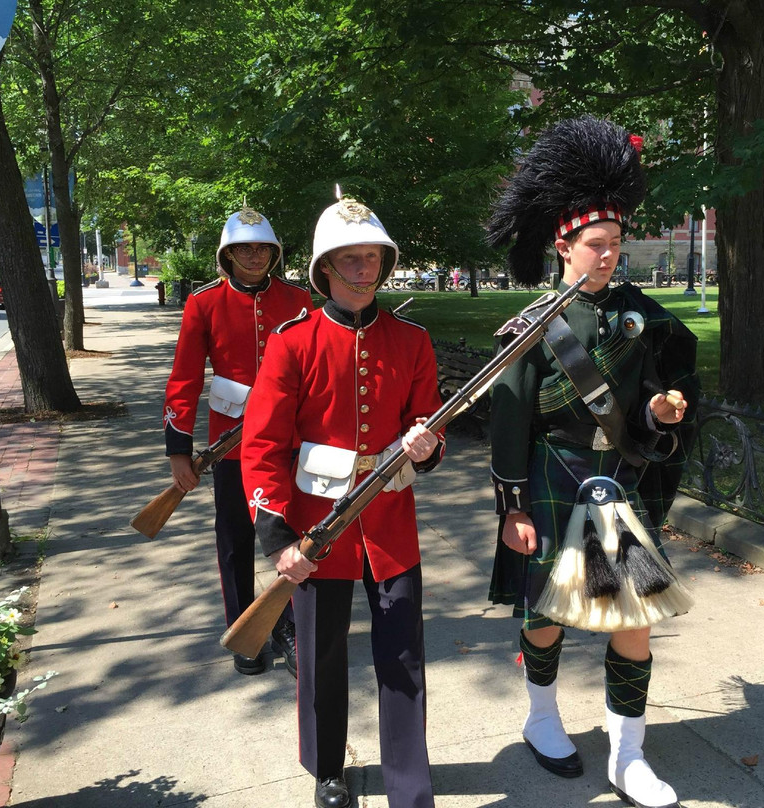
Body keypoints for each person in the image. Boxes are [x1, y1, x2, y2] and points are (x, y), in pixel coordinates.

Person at [485, 116, 700, 808]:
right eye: (595, 245)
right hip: (553, 474)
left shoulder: (642, 316)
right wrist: (513, 508)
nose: (608, 256)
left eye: (615, 244)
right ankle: (541, 719)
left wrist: (660, 412)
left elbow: (648, 401)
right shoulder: (534, 324)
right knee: (545, 613)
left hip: (617, 481)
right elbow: (511, 420)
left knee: (632, 618)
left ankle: (626, 756)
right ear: (564, 245)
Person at [241, 192, 445, 808]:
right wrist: (278, 539)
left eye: (372, 257)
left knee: (403, 656)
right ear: (324, 268)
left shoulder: (412, 340)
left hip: (390, 524)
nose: (363, 269)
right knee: (321, 655)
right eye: (350, 258)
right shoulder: (292, 342)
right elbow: (263, 444)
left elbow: (429, 429)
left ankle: (408, 784)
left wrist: (425, 445)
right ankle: (327, 768)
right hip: (316, 527)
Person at [163, 206, 315, 677]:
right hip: (231, 442)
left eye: (262, 248)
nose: (254, 256)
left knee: (294, 535)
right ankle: (243, 629)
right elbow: (185, 378)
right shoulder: (204, 302)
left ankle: (292, 626)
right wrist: (178, 449)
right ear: (227, 255)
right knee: (234, 538)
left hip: (291, 437)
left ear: (275, 252)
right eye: (244, 249)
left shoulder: (299, 299)